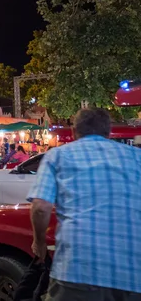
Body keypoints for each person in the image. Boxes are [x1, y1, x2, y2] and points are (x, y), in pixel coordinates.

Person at [28, 108, 141, 300]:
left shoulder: (57, 156)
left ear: (74, 131)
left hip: (77, 271)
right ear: (108, 132)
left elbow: (41, 207)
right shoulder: (136, 158)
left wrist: (39, 242)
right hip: (132, 274)